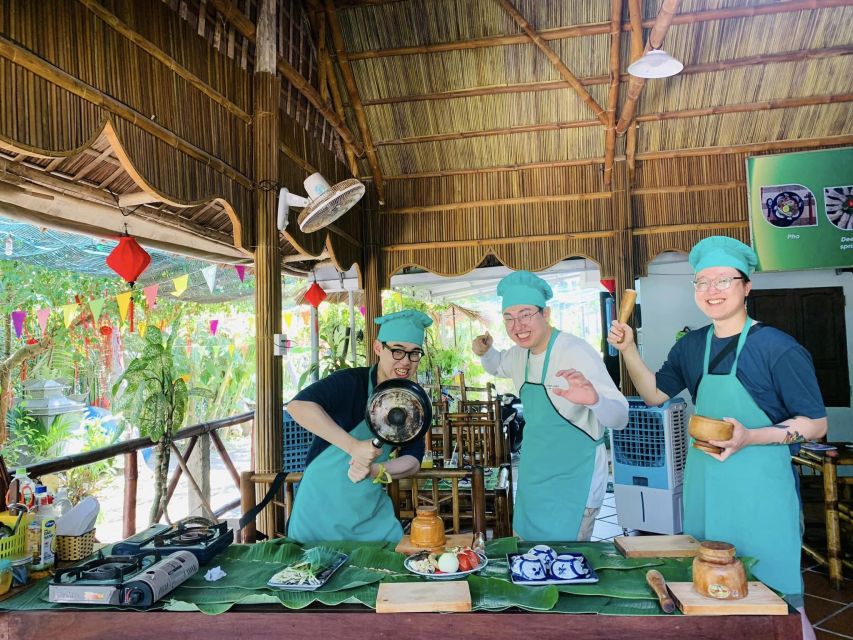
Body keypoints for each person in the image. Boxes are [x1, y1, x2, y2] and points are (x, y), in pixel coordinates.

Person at [607, 236, 826, 639]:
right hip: (706, 486)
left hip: (761, 491)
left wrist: (750, 436)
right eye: (702, 282)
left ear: (746, 286)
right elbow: (655, 394)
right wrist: (630, 350)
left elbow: (815, 423)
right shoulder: (691, 346)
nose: (711, 291)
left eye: (723, 280)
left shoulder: (777, 347)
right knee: (711, 589)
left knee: (775, 597)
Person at [472, 270, 629, 541]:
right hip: (534, 477)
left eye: (525, 314)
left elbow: (621, 417)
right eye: (509, 318)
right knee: (528, 561)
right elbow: (498, 365)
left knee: (568, 565)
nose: (517, 325)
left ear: (546, 314)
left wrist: (595, 399)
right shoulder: (519, 355)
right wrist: (486, 352)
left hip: (575, 480)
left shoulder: (575, 351)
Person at [287, 309, 433, 543]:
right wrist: (353, 446)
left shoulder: (414, 402)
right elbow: (298, 406)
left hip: (368, 511)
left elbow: (412, 461)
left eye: (414, 353)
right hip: (318, 509)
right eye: (397, 351)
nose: (405, 361)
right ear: (378, 348)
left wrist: (376, 470)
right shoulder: (350, 382)